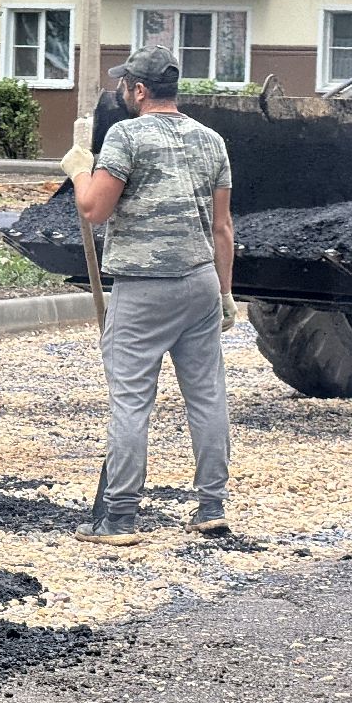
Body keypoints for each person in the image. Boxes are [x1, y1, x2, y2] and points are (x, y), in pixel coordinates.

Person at [60, 45, 237, 546]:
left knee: (132, 402)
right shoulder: (211, 140)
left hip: (143, 290)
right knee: (207, 396)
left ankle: (118, 519)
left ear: (139, 90)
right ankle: (210, 507)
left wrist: (78, 168)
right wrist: (226, 293)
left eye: (125, 84)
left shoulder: (125, 135)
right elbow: (223, 228)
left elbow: (94, 209)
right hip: (201, 282)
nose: (121, 91)